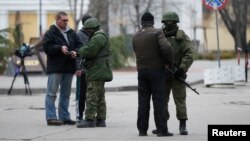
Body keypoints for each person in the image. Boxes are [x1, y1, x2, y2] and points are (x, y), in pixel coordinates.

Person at [152, 11, 195, 135]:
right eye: (166, 22)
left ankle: (183, 125)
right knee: (162, 100)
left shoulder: (182, 37)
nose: (168, 24)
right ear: (163, 23)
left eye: (171, 22)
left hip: (177, 73)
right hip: (163, 73)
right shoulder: (159, 36)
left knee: (180, 99)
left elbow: (190, 54)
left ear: (176, 22)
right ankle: (162, 125)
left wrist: (181, 69)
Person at [132, 12, 174, 137]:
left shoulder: (136, 35)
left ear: (141, 22)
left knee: (143, 101)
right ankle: (161, 130)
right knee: (158, 100)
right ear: (153, 22)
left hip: (142, 71)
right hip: (156, 71)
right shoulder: (157, 32)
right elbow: (166, 48)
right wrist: (169, 62)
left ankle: (142, 130)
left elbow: (135, 50)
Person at [43, 11, 81, 126]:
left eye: (67, 20)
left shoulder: (72, 32)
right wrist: (60, 48)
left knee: (66, 94)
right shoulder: (50, 33)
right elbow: (46, 48)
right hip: (55, 68)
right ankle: (51, 117)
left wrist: (75, 52)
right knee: (51, 93)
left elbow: (79, 46)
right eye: (64, 20)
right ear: (57, 20)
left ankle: (64, 117)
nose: (66, 22)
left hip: (68, 67)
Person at [76, 18, 113, 128]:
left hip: (96, 70)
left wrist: (79, 52)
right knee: (100, 96)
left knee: (91, 94)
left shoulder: (98, 37)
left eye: (87, 30)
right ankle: (101, 119)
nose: (87, 32)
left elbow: (89, 51)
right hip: (100, 69)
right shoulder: (101, 36)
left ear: (92, 29)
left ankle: (90, 119)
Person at [75, 15, 92, 123]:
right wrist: (78, 68)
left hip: (93, 69)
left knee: (91, 93)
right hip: (82, 69)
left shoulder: (95, 34)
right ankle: (79, 115)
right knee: (81, 93)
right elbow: (77, 53)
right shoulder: (79, 35)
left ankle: (89, 115)